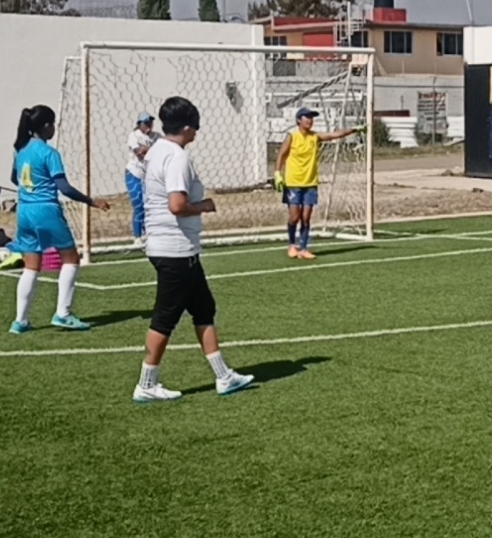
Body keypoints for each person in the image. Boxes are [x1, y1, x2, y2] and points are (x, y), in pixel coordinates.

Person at [133, 95, 254, 403]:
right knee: (165, 317)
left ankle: (224, 376)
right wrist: (204, 205)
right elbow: (177, 205)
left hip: (176, 247)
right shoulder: (176, 156)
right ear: (187, 127)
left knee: (204, 308)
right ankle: (147, 382)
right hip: (174, 249)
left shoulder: (157, 148)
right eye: (195, 127)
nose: (197, 133)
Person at [9, 104, 109, 334]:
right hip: (46, 211)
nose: (54, 128)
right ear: (46, 126)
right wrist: (92, 201)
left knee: (31, 265)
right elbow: (64, 188)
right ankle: (63, 313)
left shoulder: (20, 150)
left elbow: (15, 179)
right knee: (71, 258)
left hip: (24, 211)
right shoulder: (49, 153)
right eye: (52, 124)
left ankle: (20, 321)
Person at [274, 107, 362, 260]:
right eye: (306, 117)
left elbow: (334, 135)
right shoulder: (292, 136)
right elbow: (281, 155)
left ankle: (304, 248)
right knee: (294, 217)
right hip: (293, 182)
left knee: (306, 217)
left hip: (310, 182)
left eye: (311, 118)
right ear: (298, 120)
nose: (310, 120)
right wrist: (277, 174)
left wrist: (354, 129)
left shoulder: (315, 137)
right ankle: (291, 245)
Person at [126, 112, 157, 246]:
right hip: (134, 173)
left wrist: (148, 149)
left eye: (150, 122)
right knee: (139, 205)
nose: (149, 125)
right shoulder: (134, 136)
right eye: (146, 123)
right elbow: (139, 152)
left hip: (149, 175)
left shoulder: (157, 136)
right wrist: (152, 149)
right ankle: (137, 237)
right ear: (140, 124)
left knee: (151, 205)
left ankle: (149, 234)